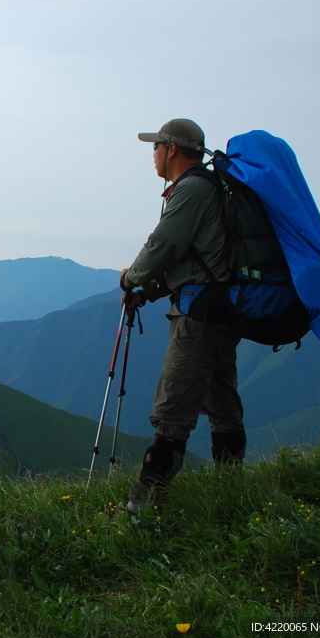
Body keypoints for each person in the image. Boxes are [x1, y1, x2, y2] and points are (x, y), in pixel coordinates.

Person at [119, 118, 247, 512]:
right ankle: (229, 494)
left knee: (172, 413)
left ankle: (141, 512)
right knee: (222, 404)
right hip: (223, 312)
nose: (153, 155)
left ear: (172, 148)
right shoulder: (214, 188)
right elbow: (198, 260)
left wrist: (131, 279)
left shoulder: (190, 190)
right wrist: (151, 293)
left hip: (198, 319)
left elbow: (163, 246)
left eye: (156, 147)